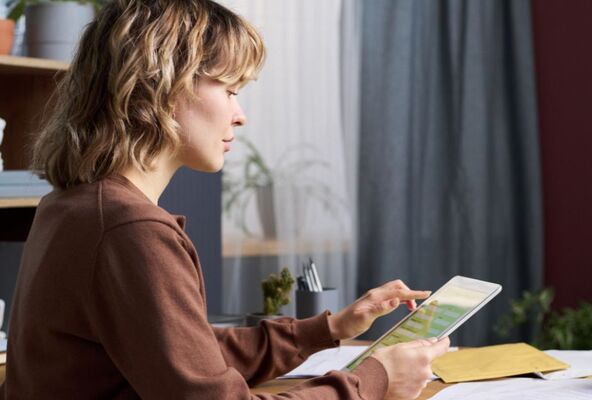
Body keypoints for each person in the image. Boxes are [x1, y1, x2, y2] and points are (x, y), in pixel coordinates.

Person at [0, 1, 449, 399]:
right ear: (163, 86)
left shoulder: (73, 207)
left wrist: (329, 328)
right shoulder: (129, 230)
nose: (240, 115)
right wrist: (374, 380)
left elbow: (188, 356)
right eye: (230, 90)